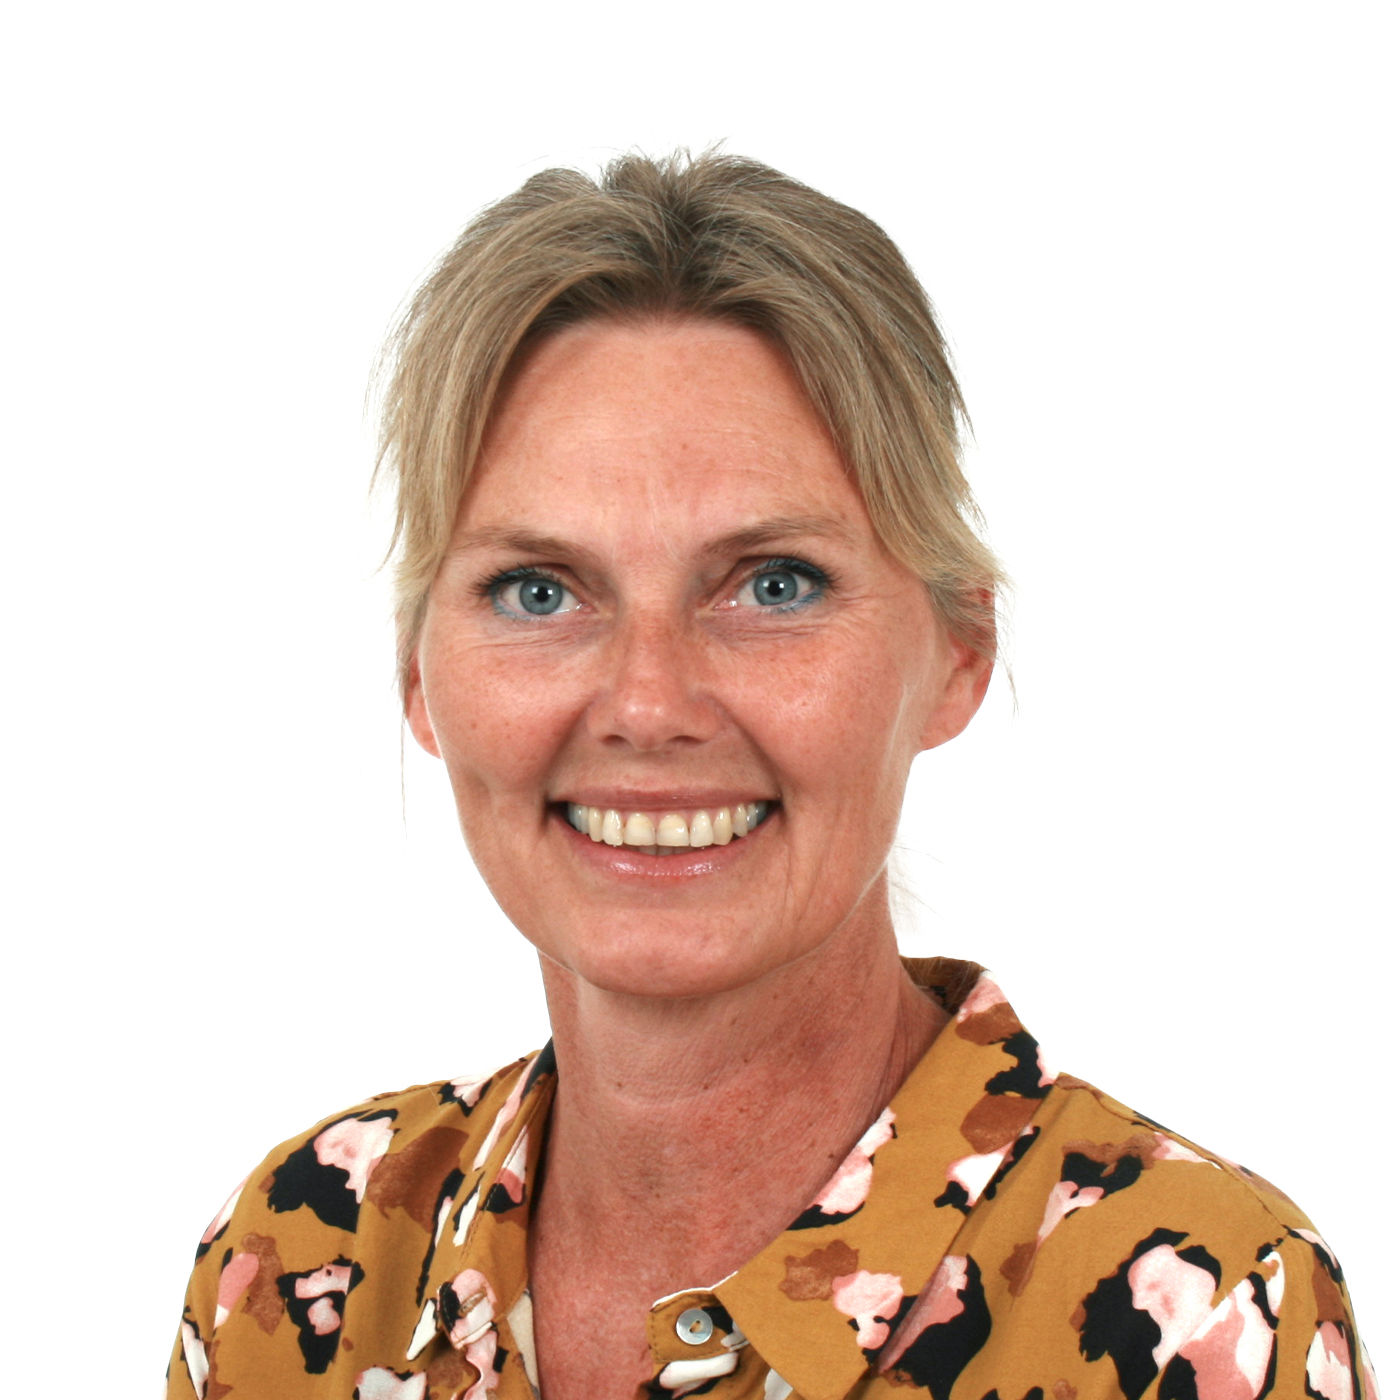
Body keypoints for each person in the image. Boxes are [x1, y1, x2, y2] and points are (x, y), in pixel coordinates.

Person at [167, 152, 1376, 1400]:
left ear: (957, 650)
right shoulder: (298, 1260)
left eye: (773, 584)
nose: (647, 703)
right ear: (417, 673)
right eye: (535, 590)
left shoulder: (1195, 1311)